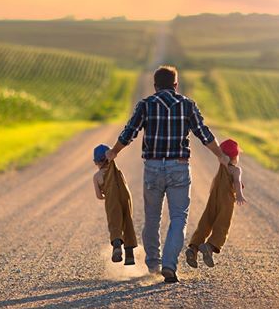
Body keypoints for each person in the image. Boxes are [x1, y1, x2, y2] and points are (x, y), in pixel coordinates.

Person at [105, 66, 230, 283]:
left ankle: (153, 265)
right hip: (179, 167)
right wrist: (220, 155)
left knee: (152, 218)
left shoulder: (146, 105)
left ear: (155, 86)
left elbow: (129, 133)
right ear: (175, 85)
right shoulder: (187, 105)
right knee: (178, 218)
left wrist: (113, 152)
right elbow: (204, 133)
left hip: (152, 168)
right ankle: (170, 265)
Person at [185, 138, 246, 268]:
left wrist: (213, 193)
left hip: (213, 199)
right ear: (236, 156)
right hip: (227, 201)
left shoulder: (221, 168)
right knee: (222, 224)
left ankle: (193, 248)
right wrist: (239, 195)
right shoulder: (235, 170)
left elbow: (214, 182)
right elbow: (237, 182)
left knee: (205, 222)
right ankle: (209, 246)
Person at [92, 144, 137, 265]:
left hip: (111, 199)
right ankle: (129, 256)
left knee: (114, 221)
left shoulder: (97, 176)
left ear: (96, 162)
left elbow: (99, 196)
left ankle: (117, 245)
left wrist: (107, 195)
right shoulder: (117, 170)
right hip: (125, 196)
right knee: (127, 221)